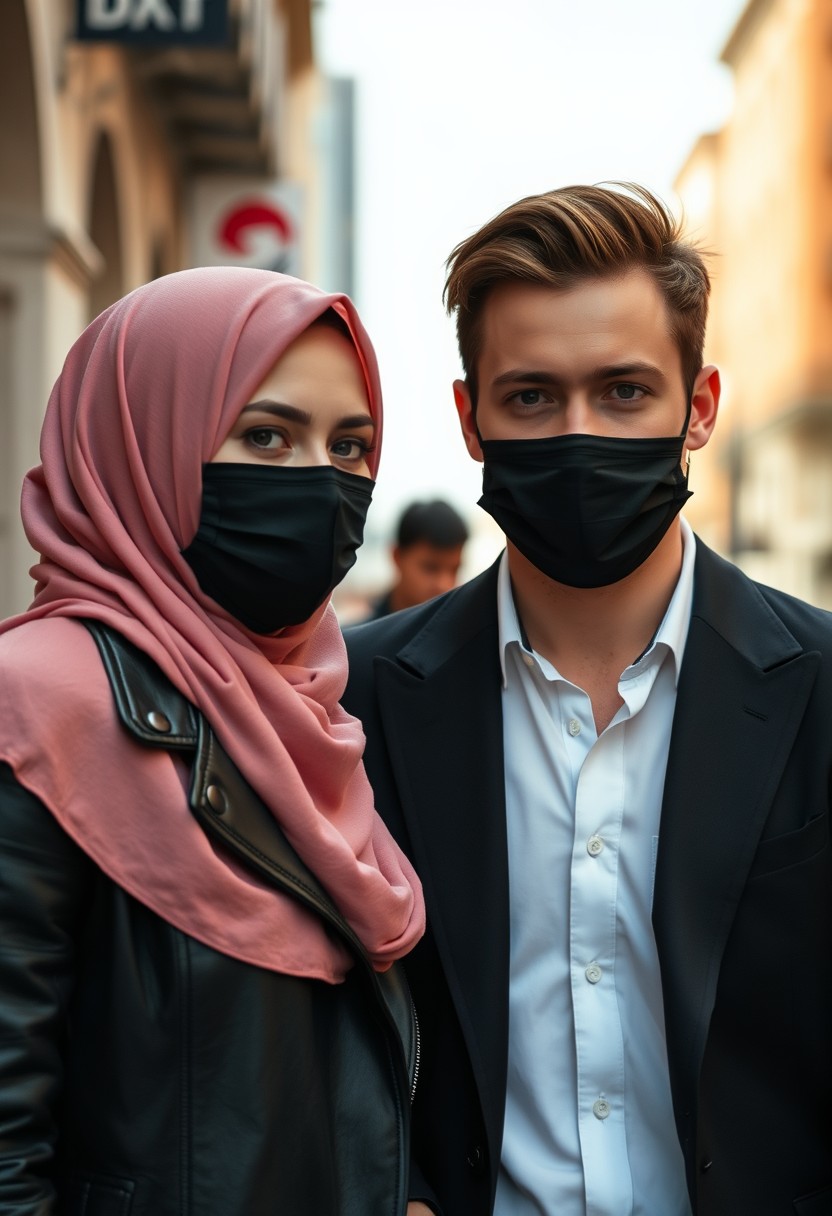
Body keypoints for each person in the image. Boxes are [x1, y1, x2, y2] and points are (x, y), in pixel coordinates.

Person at [343, 184, 832, 1216]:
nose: (577, 434)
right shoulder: (358, 700)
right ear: (470, 417)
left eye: (622, 392)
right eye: (530, 397)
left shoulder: (822, 683)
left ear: (697, 407)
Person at [0, 266, 431, 1216]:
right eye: (266, 435)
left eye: (350, 445)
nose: (322, 480)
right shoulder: (37, 701)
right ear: (146, 442)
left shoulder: (312, 709)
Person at [365, 499, 469, 619]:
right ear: (397, 557)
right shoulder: (354, 636)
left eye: (454, 570)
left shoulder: (468, 633)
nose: (444, 584)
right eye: (431, 568)